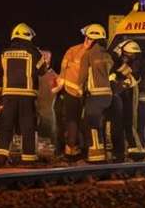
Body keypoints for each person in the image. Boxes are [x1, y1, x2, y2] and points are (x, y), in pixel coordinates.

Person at [0, 24, 47, 164]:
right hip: (27, 97)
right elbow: (43, 71)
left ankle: (0, 158)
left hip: (8, 96)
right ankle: (28, 159)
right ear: (28, 36)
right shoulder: (34, 53)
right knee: (27, 127)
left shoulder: (3, 53)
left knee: (5, 126)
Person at [77, 24, 114, 162]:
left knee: (91, 123)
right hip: (108, 95)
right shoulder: (108, 55)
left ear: (91, 38)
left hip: (95, 95)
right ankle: (108, 152)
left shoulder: (88, 55)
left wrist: (80, 90)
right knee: (105, 124)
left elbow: (82, 76)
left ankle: (96, 155)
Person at [109, 39, 145, 162]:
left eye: (132, 55)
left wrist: (124, 81)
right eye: (127, 54)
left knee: (131, 122)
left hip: (130, 96)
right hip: (119, 96)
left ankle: (136, 150)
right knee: (119, 124)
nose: (130, 57)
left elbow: (138, 80)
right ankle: (122, 151)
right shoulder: (116, 62)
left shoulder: (139, 64)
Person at [55, 30, 91, 161]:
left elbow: (64, 68)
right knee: (74, 121)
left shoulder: (73, 50)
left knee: (74, 121)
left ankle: (73, 149)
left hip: (75, 91)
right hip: (77, 91)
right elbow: (65, 68)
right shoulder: (77, 51)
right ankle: (73, 149)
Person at [35, 49, 58, 149]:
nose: (44, 59)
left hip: (48, 111)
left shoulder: (54, 76)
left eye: (46, 57)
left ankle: (52, 146)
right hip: (35, 109)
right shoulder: (34, 74)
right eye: (42, 56)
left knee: (50, 130)